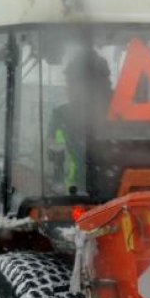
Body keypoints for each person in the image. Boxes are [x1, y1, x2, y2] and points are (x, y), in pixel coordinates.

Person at [49, 48, 113, 195]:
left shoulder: (61, 116)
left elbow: (49, 161)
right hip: (118, 199)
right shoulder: (126, 112)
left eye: (71, 83)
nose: (68, 89)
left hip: (72, 199)